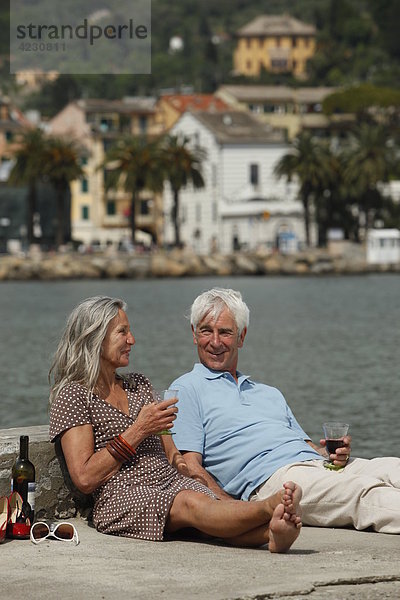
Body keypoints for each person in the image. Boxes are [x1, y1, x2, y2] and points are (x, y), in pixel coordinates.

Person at [48, 295, 302, 552]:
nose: (131, 340)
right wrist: (138, 430)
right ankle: (269, 508)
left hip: (168, 479)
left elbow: (169, 447)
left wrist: (183, 466)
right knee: (191, 504)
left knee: (208, 509)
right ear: (95, 338)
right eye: (122, 332)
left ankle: (274, 533)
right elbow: (84, 477)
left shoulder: (139, 385)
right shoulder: (74, 396)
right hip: (123, 492)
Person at [170, 288, 400, 534]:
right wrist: (232, 508)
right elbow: (189, 467)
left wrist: (333, 453)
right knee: (363, 492)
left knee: (392, 467)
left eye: (225, 332)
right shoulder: (185, 389)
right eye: (206, 330)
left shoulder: (269, 392)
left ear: (241, 337)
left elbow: (307, 446)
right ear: (194, 334)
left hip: (316, 466)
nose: (215, 342)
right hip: (272, 481)